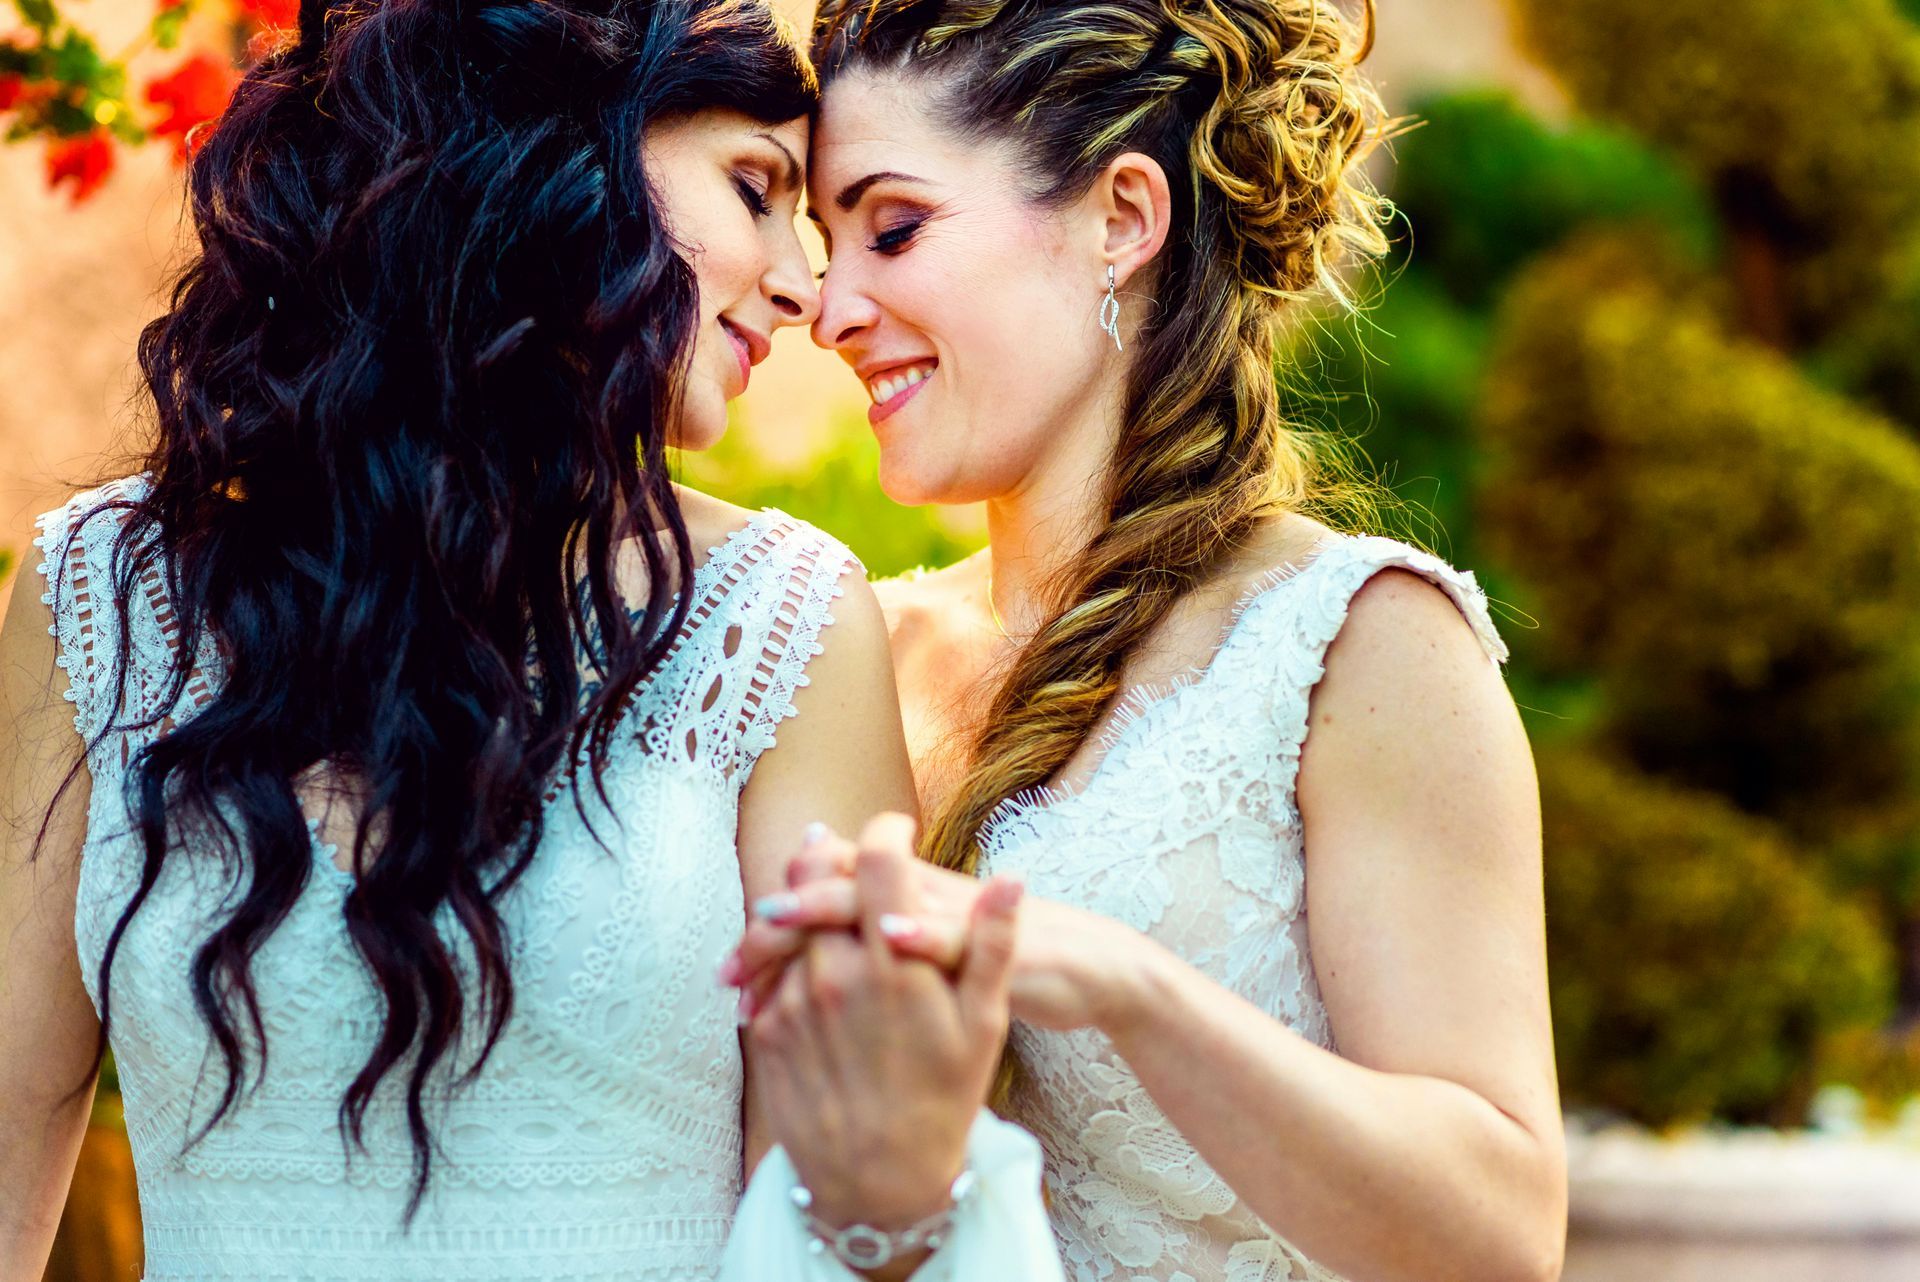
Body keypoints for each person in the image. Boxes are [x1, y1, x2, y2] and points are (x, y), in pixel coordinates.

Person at [0, 2, 1032, 1278]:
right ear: (547, 152)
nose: (804, 285)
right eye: (755, 189)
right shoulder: (101, 590)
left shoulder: (786, 619)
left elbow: (841, 1211)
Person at [724, 0, 1569, 1279]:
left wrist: (1127, 983)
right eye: (822, 242)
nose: (829, 308)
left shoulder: (1358, 646)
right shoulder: (852, 651)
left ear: (1121, 218)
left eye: (892, 227)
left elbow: (1502, 1239)